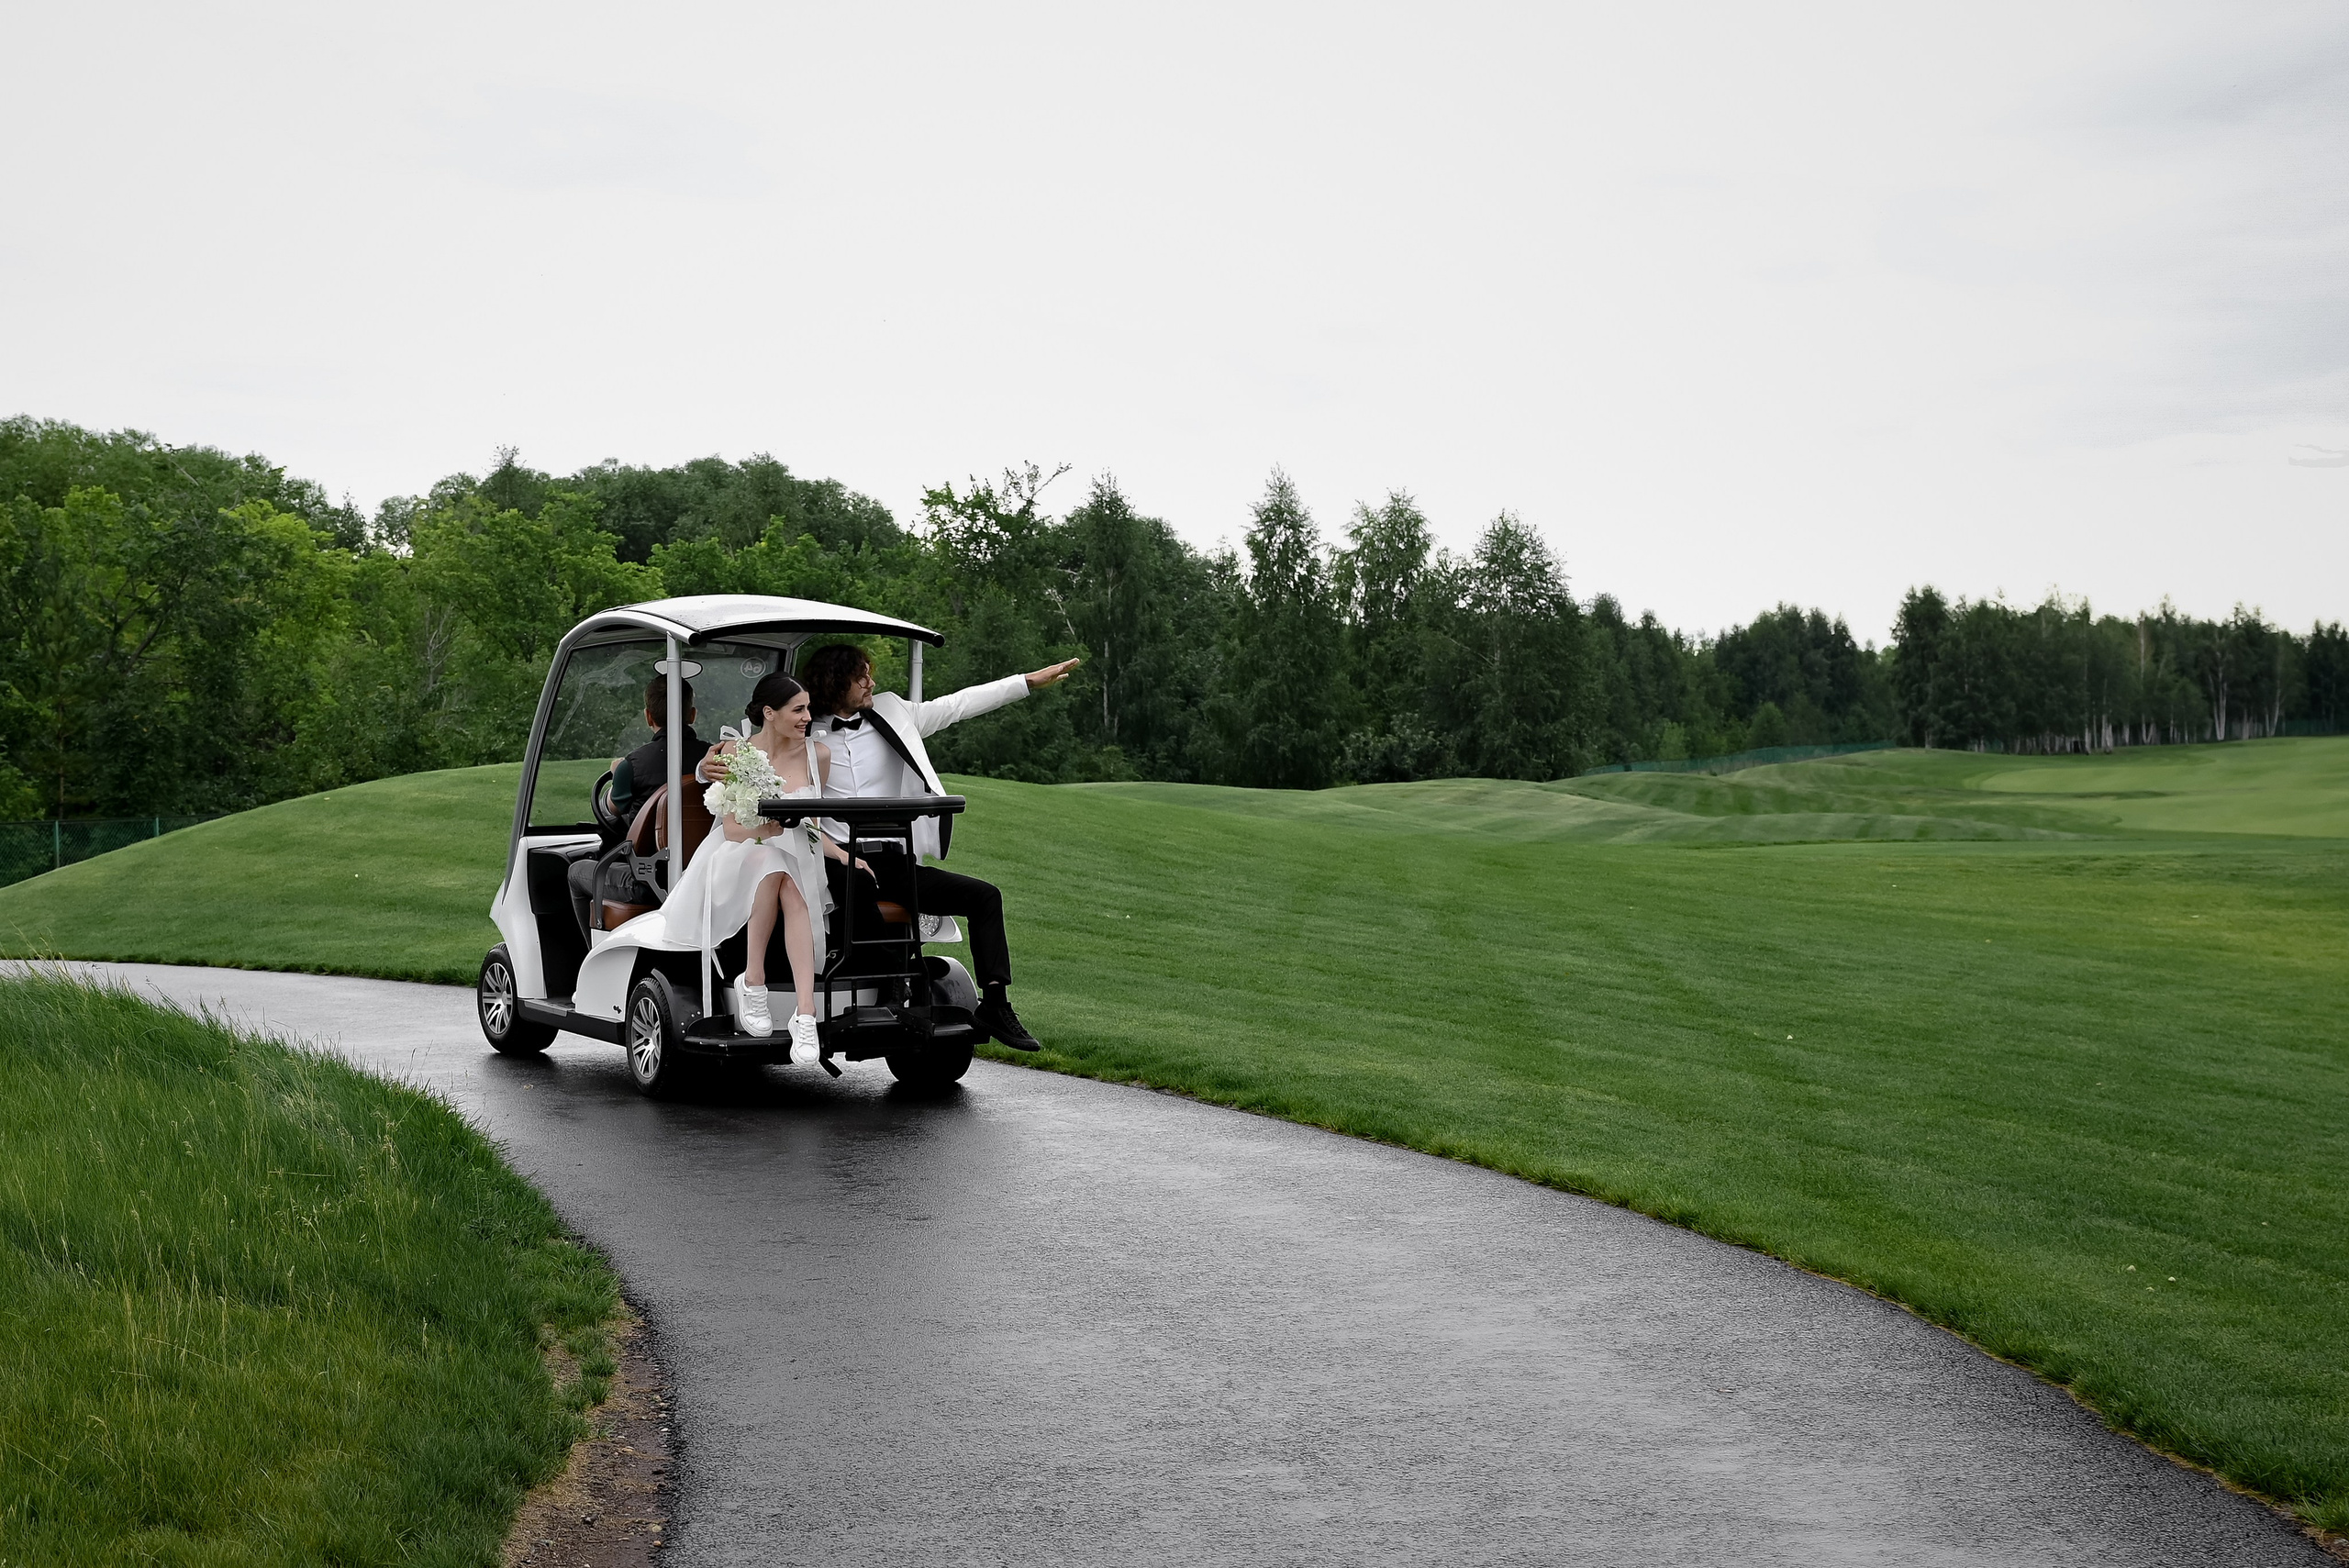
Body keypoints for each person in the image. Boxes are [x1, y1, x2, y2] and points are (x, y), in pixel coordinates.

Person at [796, 641, 1078, 1052]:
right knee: (855, 887)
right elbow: (755, 748)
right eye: (863, 677)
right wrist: (707, 762)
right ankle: (896, 988)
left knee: (984, 897)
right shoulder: (801, 729)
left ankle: (995, 1003)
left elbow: (959, 704)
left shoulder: (893, 712)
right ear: (838, 683)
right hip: (836, 861)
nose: (872, 682)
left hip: (894, 860)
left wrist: (1026, 683)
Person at [664, 672, 866, 1062]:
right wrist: (767, 827)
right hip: (736, 853)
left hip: (794, 857)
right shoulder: (736, 753)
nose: (809, 717)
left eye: (808, 708)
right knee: (774, 864)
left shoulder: (818, 756)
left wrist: (841, 853)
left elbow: (812, 826)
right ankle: (758, 982)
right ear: (770, 713)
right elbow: (733, 827)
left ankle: (801, 1011)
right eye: (799, 709)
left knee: (787, 877)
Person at [569, 676, 713, 940]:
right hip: (704, 878)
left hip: (650, 882)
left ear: (648, 717)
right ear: (691, 715)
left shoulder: (632, 765)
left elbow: (611, 810)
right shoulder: (713, 760)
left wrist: (616, 775)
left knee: (575, 872)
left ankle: (590, 953)